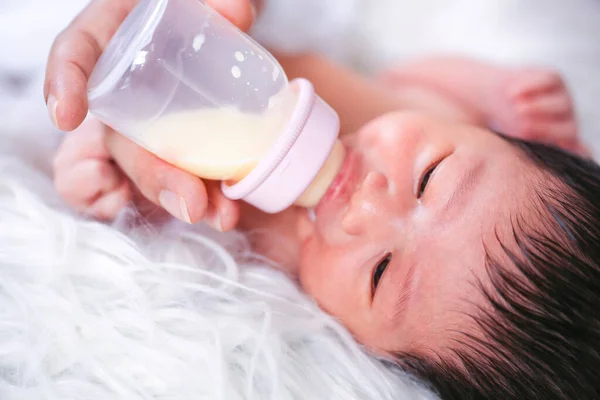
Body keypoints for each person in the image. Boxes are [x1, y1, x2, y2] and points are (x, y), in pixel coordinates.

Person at [46, 0, 600, 399]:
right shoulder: (446, 113)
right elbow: (411, 76)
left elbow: (147, 207)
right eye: (430, 178)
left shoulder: (264, 261)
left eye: (381, 272)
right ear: (514, 141)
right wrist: (491, 91)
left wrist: (103, 170)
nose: (366, 206)